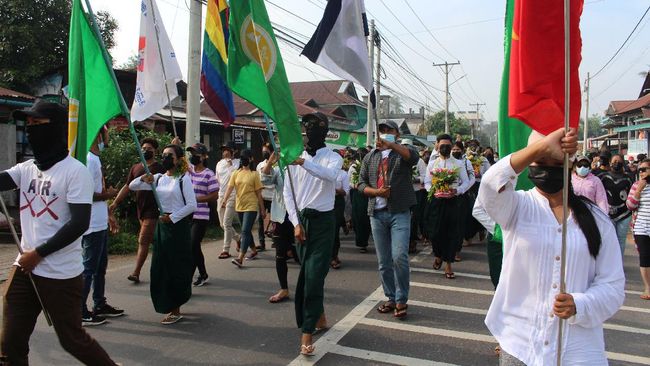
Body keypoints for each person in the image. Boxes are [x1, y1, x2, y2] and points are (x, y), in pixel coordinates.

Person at [477, 128, 625, 365]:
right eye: (539, 160)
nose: (546, 167)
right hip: (520, 346)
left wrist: (580, 304)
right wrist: (542, 146)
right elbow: (489, 185)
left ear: (570, 164)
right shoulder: (516, 207)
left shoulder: (597, 220)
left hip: (578, 350)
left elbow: (613, 285)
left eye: (554, 161)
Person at [0, 100, 118, 365]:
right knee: (10, 343)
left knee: (72, 340)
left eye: (37, 124)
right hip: (24, 270)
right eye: (27, 124)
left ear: (55, 129)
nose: (30, 130)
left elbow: (79, 224)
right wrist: (29, 259)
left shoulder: (75, 173)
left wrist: (38, 254)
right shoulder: (26, 169)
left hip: (60, 274)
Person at [283, 112, 342, 356]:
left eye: (317, 127)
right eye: (308, 127)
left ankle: (307, 333)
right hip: (302, 222)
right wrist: (296, 223)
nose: (311, 131)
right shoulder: (295, 158)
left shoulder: (333, 157)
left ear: (325, 132)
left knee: (315, 275)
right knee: (308, 274)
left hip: (324, 222)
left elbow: (329, 176)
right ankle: (319, 315)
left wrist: (304, 163)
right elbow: (288, 193)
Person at [129, 144, 197, 325]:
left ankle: (176, 309)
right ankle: (166, 303)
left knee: (176, 268)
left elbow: (192, 205)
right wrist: (144, 178)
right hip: (162, 228)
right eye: (164, 155)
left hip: (177, 227)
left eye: (170, 155)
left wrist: (173, 217)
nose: (166, 158)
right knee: (160, 267)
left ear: (178, 159)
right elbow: (132, 186)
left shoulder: (183, 179)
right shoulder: (158, 179)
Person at [359, 120, 419, 319]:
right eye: (382, 130)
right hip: (376, 214)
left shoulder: (403, 152)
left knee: (399, 256)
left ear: (396, 133)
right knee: (384, 261)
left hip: (399, 212)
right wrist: (375, 191)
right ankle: (391, 297)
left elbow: (413, 158)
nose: (384, 133)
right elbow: (360, 183)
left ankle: (402, 299)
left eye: (389, 130)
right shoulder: (370, 156)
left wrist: (391, 145)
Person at [81, 129, 124, 326]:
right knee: (89, 268)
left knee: (100, 267)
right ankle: (80, 309)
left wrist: (108, 214)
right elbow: (86, 194)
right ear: (98, 136)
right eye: (106, 134)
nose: (108, 139)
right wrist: (109, 195)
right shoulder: (89, 160)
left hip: (99, 221)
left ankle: (99, 303)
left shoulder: (95, 160)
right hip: (90, 223)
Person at [110, 137, 164, 283]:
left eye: (149, 149)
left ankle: (136, 272)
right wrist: (115, 203)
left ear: (156, 151)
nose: (146, 151)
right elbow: (127, 186)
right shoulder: (136, 167)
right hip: (141, 209)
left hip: (154, 210)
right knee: (155, 241)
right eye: (144, 149)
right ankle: (166, 263)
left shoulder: (160, 168)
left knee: (143, 240)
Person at [424, 134, 472, 279]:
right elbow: (427, 182)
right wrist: (432, 191)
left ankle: (448, 265)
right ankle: (438, 255)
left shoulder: (458, 164)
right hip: (436, 202)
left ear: (451, 147)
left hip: (453, 202)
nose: (445, 148)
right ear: (437, 146)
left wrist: (457, 191)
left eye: (448, 145)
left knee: (451, 233)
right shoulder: (432, 164)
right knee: (435, 233)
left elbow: (466, 182)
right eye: (442, 145)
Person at [260, 149, 298, 303]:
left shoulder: (303, 167)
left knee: (303, 255)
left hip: (299, 217)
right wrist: (270, 161)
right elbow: (264, 180)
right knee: (280, 255)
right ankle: (284, 289)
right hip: (280, 217)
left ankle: (309, 287)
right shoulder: (279, 169)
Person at [221, 149, 264, 268]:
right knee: (247, 231)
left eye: (246, 157)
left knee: (244, 231)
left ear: (251, 159)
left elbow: (259, 194)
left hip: (251, 206)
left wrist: (262, 209)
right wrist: (224, 200)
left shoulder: (254, 174)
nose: (244, 159)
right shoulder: (236, 173)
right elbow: (229, 188)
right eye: (242, 157)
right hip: (239, 206)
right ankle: (254, 250)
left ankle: (240, 258)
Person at [187, 143, 219, 287]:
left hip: (201, 215)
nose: (193, 157)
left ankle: (195, 274)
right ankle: (201, 273)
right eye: (191, 154)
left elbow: (214, 195)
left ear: (204, 157)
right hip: (187, 214)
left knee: (194, 244)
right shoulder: (188, 171)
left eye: (196, 154)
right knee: (190, 246)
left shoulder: (209, 174)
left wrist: (197, 199)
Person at [600, 154, 634, 255]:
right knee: (609, 240)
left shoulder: (628, 178)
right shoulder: (603, 177)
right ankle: (610, 264)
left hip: (624, 214)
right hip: (607, 214)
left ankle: (619, 265)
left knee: (621, 240)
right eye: (614, 161)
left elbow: (632, 194)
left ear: (623, 163)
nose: (616, 163)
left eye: (619, 162)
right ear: (610, 163)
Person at [626, 158, 650, 300]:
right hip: (641, 227)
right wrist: (639, 190)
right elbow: (630, 205)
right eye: (640, 170)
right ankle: (647, 287)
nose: (641, 172)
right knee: (645, 258)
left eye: (644, 169)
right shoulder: (636, 185)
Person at [215, 142, 241, 259]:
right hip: (221, 195)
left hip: (232, 196)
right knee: (222, 224)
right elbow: (218, 179)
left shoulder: (238, 163)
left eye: (227, 150)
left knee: (227, 223)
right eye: (223, 150)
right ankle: (238, 238)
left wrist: (230, 164)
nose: (224, 152)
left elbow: (235, 177)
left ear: (233, 151)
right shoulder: (219, 163)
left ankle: (225, 249)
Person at [452, 141, 476, 262]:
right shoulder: (447, 161)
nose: (455, 151)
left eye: (457, 150)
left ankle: (457, 250)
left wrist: (462, 189)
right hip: (448, 196)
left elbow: (471, 179)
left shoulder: (466, 162)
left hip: (462, 197)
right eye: (453, 149)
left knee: (459, 224)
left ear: (462, 150)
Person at [403, 139, 427, 254]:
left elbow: (425, 177)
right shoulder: (398, 159)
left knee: (414, 219)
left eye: (408, 146)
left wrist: (414, 179)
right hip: (401, 193)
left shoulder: (419, 161)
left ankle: (412, 241)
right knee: (402, 218)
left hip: (416, 193)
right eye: (404, 146)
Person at [464, 139, 490, 245]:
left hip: (480, 186)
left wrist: (480, 175)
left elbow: (489, 174)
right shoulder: (464, 159)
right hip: (468, 187)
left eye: (475, 145)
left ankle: (481, 229)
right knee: (467, 211)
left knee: (479, 209)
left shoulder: (483, 159)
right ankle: (468, 237)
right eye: (471, 145)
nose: (473, 147)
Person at [349, 148, 371, 253]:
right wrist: (356, 185)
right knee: (357, 217)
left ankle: (364, 241)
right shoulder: (353, 167)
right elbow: (349, 182)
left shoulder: (369, 165)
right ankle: (360, 241)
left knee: (365, 218)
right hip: (357, 194)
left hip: (367, 193)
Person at [256, 143, 275, 251]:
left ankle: (275, 241)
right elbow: (259, 180)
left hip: (273, 197)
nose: (264, 153)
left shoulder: (276, 164)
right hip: (263, 197)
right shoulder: (260, 165)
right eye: (263, 151)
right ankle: (261, 243)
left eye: (266, 151)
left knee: (275, 221)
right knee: (260, 221)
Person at [331, 156, 350, 269]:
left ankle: (334, 256)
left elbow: (346, 192)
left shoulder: (343, 174)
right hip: (324, 201)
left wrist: (336, 190)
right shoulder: (324, 171)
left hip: (337, 202)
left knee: (334, 230)